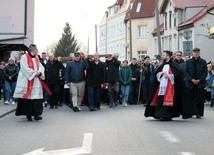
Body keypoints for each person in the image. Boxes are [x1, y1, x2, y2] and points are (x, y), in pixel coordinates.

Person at [144, 50, 191, 121]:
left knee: (169, 101)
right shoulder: (161, 65)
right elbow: (156, 74)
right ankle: (159, 114)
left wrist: (169, 75)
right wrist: (161, 74)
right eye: (162, 55)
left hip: (170, 87)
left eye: (164, 55)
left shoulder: (174, 65)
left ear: (168, 56)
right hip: (162, 86)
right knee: (160, 100)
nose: (162, 56)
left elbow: (178, 75)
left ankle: (168, 115)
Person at [14, 44, 45, 121]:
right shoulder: (24, 57)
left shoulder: (37, 58)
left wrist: (40, 73)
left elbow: (41, 67)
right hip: (27, 80)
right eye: (36, 49)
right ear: (32, 50)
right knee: (28, 98)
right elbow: (24, 68)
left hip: (36, 81)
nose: (37, 51)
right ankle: (28, 115)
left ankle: (36, 114)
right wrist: (34, 73)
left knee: (36, 98)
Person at [185, 48, 207, 118]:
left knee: (200, 99)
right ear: (193, 53)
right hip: (190, 83)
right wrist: (191, 80)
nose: (196, 53)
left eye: (198, 52)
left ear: (199, 53)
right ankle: (190, 112)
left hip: (200, 84)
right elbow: (186, 72)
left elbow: (205, 73)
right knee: (190, 99)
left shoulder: (203, 62)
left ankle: (198, 113)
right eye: (195, 52)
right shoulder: (188, 62)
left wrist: (199, 80)